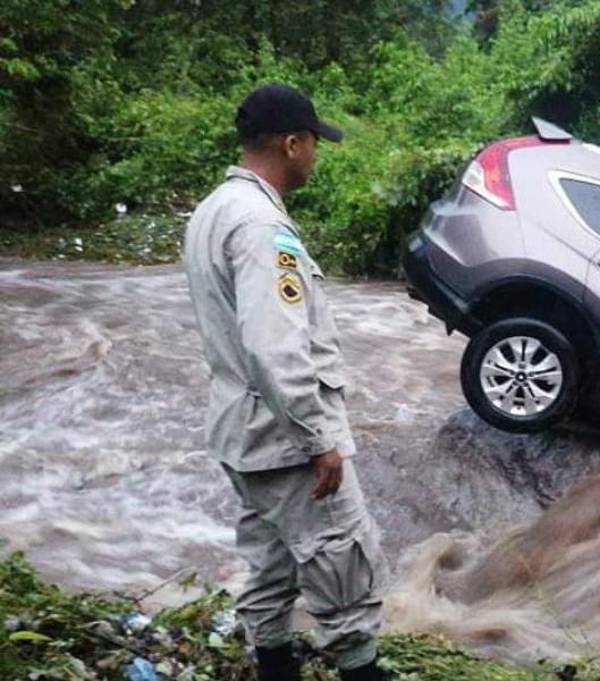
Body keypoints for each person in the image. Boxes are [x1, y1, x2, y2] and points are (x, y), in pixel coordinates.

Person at [182, 84, 388, 681]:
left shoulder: (214, 209)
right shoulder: (261, 227)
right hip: (282, 437)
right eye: (314, 143)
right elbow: (275, 347)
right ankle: (361, 671)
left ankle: (273, 665)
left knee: (269, 562)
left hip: (240, 431)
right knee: (342, 558)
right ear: (292, 144)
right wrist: (318, 438)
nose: (316, 156)